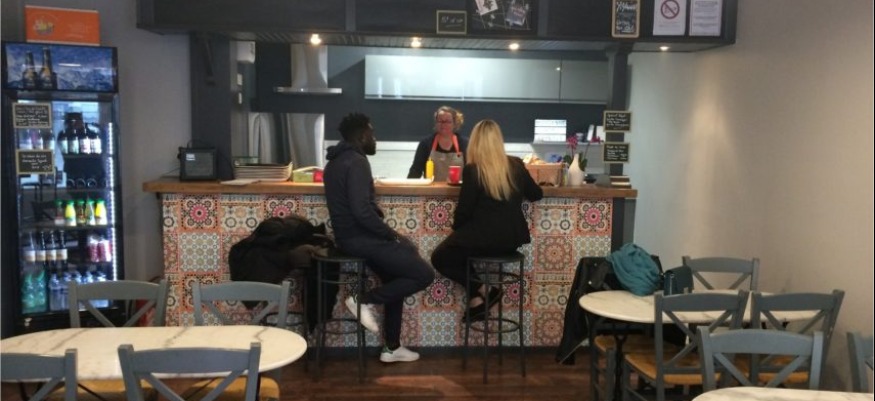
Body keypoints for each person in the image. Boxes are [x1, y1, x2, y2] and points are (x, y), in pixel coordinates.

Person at [323, 112, 435, 363]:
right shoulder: (356, 162)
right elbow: (362, 211)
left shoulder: (335, 162)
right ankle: (361, 300)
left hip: (348, 240)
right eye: (372, 133)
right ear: (362, 135)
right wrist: (392, 235)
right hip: (362, 240)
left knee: (397, 277)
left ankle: (392, 347)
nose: (375, 138)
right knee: (423, 274)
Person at [430, 119, 543, 320]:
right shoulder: (516, 164)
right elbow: (536, 194)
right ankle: (476, 300)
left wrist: (456, 231)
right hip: (511, 240)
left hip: (483, 238)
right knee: (459, 253)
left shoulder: (473, 170)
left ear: (476, 143)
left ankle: (486, 290)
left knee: (441, 257)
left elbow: (464, 211)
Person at [407, 105, 469, 181]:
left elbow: (471, 172)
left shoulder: (465, 144)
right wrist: (408, 186)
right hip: (432, 188)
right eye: (440, 121)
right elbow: (415, 171)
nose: (443, 124)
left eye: (448, 121)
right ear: (436, 123)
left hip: (458, 188)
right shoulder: (425, 144)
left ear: (455, 123)